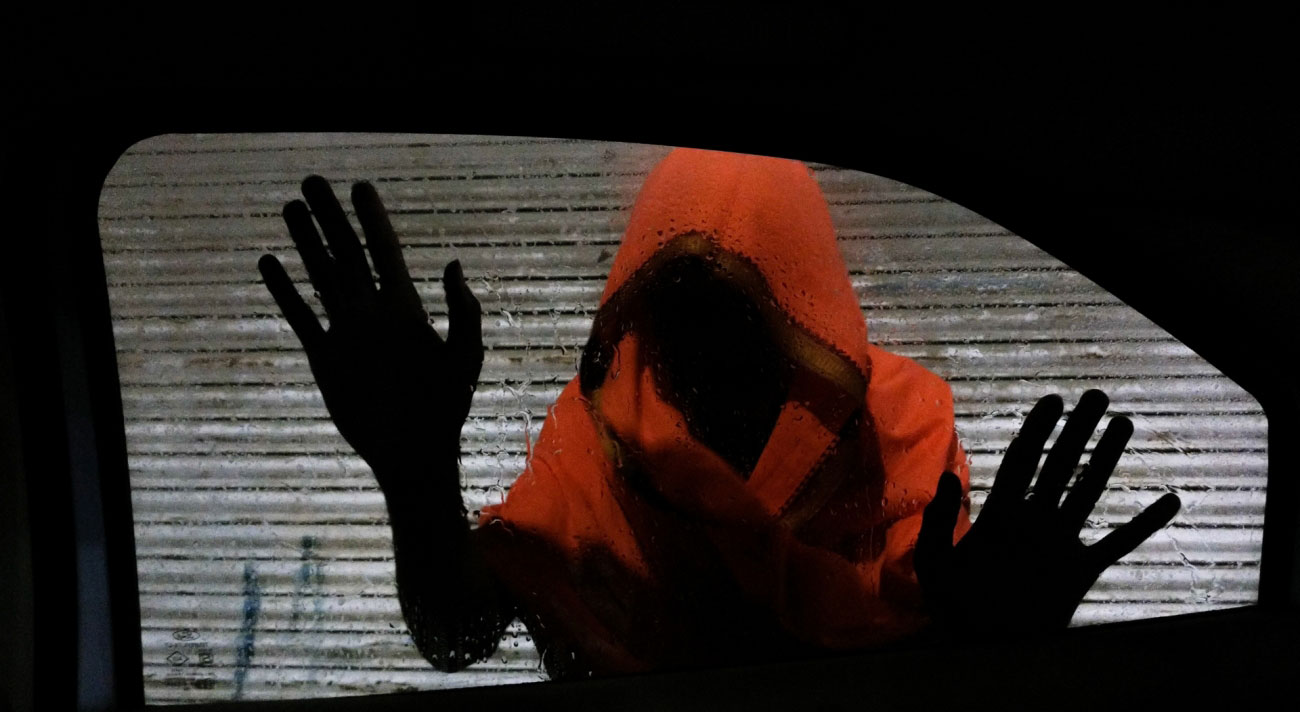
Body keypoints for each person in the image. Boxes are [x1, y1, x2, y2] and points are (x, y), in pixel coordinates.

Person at [258, 149, 1181, 679]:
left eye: (746, 327)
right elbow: (459, 633)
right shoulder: (608, 428)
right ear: (636, 322)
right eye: (677, 321)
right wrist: (415, 473)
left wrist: (993, 651)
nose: (704, 369)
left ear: (810, 325)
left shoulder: (897, 434)